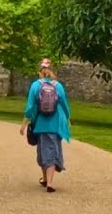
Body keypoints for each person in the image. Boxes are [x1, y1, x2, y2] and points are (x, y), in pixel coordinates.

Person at [20, 58, 71, 193]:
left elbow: (30, 107)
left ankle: (46, 179)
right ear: (51, 71)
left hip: (40, 124)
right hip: (55, 124)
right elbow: (65, 104)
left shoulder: (36, 85)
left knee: (43, 151)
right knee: (53, 151)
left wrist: (24, 124)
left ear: (39, 72)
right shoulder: (58, 86)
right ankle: (49, 182)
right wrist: (67, 118)